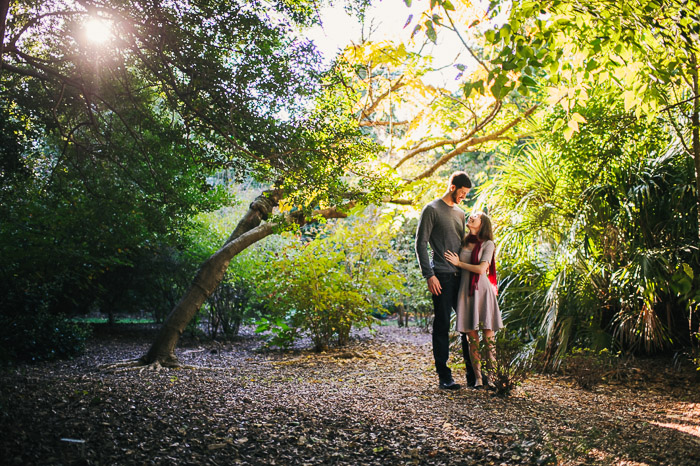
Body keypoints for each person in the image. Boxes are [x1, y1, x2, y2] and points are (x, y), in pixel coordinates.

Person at [415, 171, 475, 390]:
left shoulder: (460, 213)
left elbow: (464, 245)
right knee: (442, 326)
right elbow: (420, 243)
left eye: (466, 194)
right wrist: (428, 274)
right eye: (462, 192)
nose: (464, 197)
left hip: (462, 277)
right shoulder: (431, 209)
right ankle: (444, 376)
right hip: (441, 276)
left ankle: (474, 375)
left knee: (467, 326)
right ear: (452, 187)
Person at [444, 211, 503, 389]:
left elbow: (481, 269)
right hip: (465, 291)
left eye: (475, 215)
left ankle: (492, 378)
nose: (471, 216)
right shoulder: (463, 241)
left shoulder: (488, 244)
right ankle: (478, 379)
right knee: (472, 339)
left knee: (488, 338)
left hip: (482, 291)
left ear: (482, 223)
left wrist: (459, 264)